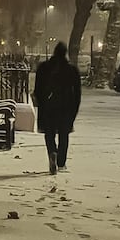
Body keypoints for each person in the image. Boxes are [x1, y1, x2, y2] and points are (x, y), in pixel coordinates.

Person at [33, 41, 81, 174]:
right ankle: (61, 162)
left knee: (49, 134)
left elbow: (37, 89)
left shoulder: (43, 68)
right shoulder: (71, 70)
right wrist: (74, 110)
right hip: (66, 107)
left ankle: (52, 152)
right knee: (64, 135)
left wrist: (41, 102)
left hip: (48, 107)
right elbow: (77, 93)